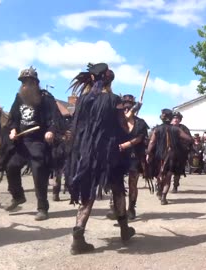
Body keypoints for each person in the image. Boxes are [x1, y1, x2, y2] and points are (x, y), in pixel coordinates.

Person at [64, 63, 135, 255]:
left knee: (87, 193)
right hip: (109, 152)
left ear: (93, 79)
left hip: (86, 152)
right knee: (118, 189)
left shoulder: (83, 100)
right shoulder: (114, 99)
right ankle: (124, 230)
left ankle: (78, 232)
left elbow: (77, 127)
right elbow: (124, 127)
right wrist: (130, 118)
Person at [0, 67, 62, 221]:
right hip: (21, 141)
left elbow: (55, 118)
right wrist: (13, 130)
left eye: (28, 82)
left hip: (38, 141)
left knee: (38, 171)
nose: (25, 85)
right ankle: (18, 196)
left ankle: (42, 208)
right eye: (23, 82)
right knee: (11, 166)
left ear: (35, 83)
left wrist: (51, 131)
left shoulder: (46, 98)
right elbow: (13, 118)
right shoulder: (19, 97)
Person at [146, 109, 193, 205]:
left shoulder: (157, 129)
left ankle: (159, 188)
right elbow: (189, 139)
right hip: (172, 156)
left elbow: (151, 142)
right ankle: (163, 197)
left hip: (158, 156)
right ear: (171, 118)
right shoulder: (176, 129)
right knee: (168, 176)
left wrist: (148, 153)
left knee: (159, 174)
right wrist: (178, 143)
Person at [119, 94, 149, 219]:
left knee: (132, 183)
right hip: (118, 156)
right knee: (116, 182)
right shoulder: (117, 122)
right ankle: (117, 205)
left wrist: (125, 145)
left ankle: (131, 207)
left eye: (129, 107)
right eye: (124, 107)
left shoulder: (140, 123)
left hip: (134, 156)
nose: (126, 109)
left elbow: (140, 138)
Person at [171, 111, 192, 193]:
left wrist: (184, 147)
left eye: (177, 118)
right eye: (174, 118)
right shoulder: (167, 127)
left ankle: (175, 186)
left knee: (177, 170)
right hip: (166, 151)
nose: (175, 119)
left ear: (180, 120)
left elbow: (189, 140)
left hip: (179, 152)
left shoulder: (183, 128)